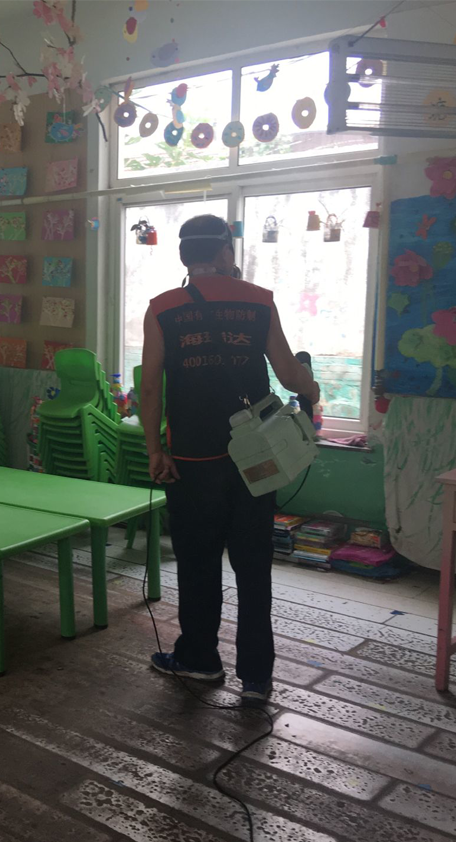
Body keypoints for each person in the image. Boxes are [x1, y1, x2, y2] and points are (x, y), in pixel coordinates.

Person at [140, 214, 320, 703]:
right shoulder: (259, 301)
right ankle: (257, 677)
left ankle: (200, 659)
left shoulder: (162, 308)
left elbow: (151, 386)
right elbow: (289, 374)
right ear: (224, 252)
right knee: (253, 563)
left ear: (185, 256)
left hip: (191, 460)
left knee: (198, 562)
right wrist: (311, 389)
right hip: (255, 458)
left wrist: (155, 449)